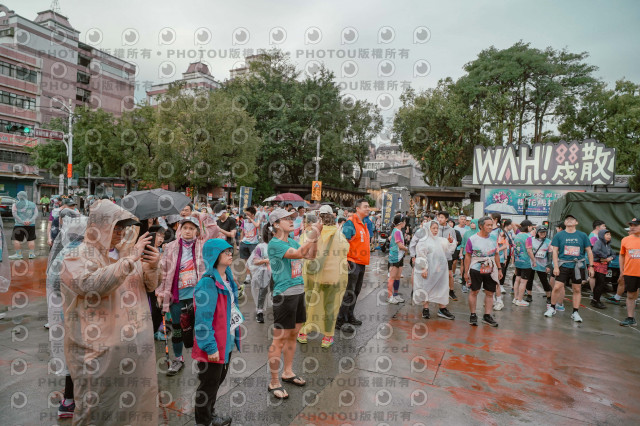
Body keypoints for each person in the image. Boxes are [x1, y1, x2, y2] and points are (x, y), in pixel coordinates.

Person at [60, 200, 160, 425]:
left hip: (133, 349)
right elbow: (91, 286)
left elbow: (149, 285)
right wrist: (129, 260)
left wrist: (153, 265)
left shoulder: (128, 252)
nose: (121, 232)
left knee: (133, 407)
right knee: (97, 409)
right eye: (116, 227)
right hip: (97, 353)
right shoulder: (77, 255)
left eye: (123, 227)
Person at [267, 208, 322, 399]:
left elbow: (310, 255)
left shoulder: (291, 241)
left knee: (293, 335)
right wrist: (313, 234)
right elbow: (299, 254)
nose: (291, 221)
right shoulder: (274, 244)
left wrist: (315, 237)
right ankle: (274, 382)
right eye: (286, 219)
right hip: (284, 295)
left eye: (291, 218)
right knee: (279, 339)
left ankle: (288, 372)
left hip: (299, 291)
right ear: (275, 224)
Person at [192, 238, 240, 426]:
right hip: (213, 344)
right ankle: (203, 421)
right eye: (225, 252)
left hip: (226, 340)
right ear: (214, 255)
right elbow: (203, 320)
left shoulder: (227, 277)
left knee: (216, 381)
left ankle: (210, 415)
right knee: (208, 385)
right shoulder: (208, 283)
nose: (230, 254)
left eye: (230, 251)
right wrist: (210, 346)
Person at [157, 217, 212, 376]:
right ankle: (178, 358)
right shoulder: (171, 247)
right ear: (180, 230)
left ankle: (202, 359)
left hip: (197, 295)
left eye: (191, 228)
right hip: (176, 296)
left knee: (199, 328)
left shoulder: (202, 246)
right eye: (185, 228)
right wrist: (160, 292)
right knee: (177, 329)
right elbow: (163, 271)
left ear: (197, 231)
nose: (187, 231)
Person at [46, 214, 87, 419]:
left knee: (73, 355)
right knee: (82, 356)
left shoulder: (64, 251)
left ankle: (69, 401)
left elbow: (53, 283)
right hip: (78, 313)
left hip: (66, 311)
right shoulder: (81, 252)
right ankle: (75, 400)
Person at [297, 205, 349, 348]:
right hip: (332, 277)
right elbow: (345, 250)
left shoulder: (312, 232)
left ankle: (303, 332)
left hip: (312, 274)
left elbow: (302, 249)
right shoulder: (339, 235)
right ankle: (327, 337)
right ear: (333, 217)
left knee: (308, 303)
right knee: (330, 307)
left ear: (319, 216)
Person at [546, 215, 594, 322]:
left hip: (578, 266)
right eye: (567, 219)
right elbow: (555, 251)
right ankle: (552, 308)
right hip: (563, 265)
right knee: (557, 287)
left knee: (577, 289)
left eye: (572, 219)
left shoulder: (582, 235)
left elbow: (589, 251)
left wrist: (591, 266)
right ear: (565, 223)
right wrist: (556, 266)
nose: (569, 221)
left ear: (576, 222)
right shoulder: (559, 235)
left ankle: (575, 312)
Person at [335, 199, 371, 332]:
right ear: (357, 208)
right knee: (349, 293)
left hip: (361, 263)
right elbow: (342, 241)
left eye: (368, 206)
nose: (368, 209)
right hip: (352, 262)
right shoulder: (351, 223)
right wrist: (344, 259)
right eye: (365, 206)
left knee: (356, 291)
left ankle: (350, 316)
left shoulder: (363, 223)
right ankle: (341, 321)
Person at [463, 216, 502, 327]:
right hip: (476, 269)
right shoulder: (472, 239)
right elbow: (467, 256)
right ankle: (473, 315)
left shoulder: (494, 238)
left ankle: (487, 316)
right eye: (488, 225)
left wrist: (499, 269)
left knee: (490, 293)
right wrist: (466, 272)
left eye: (491, 225)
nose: (490, 227)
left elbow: (496, 254)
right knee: (474, 291)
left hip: (490, 269)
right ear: (481, 226)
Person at [413, 220, 457, 320]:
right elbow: (421, 255)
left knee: (441, 288)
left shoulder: (440, 240)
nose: (436, 230)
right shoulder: (423, 241)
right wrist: (423, 269)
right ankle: (426, 308)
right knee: (426, 287)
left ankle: (442, 308)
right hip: (428, 270)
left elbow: (449, 249)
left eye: (437, 228)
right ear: (428, 229)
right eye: (433, 228)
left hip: (439, 270)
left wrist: (450, 241)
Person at [247, 226, 273, 323]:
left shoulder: (279, 245)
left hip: (277, 273)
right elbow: (255, 261)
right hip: (264, 273)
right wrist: (266, 261)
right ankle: (259, 311)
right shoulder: (261, 247)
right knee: (263, 292)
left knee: (276, 291)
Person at [618, 218, 640, 326]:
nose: (632, 227)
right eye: (631, 225)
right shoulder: (625, 240)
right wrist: (622, 271)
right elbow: (622, 255)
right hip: (631, 273)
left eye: (635, 225)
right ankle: (630, 318)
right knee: (630, 295)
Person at [512, 220, 537, 307]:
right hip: (526, 262)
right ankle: (520, 300)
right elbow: (529, 251)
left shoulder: (517, 235)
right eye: (531, 227)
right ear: (528, 227)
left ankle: (515, 298)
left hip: (518, 260)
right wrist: (534, 260)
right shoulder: (528, 237)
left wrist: (521, 226)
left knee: (517, 280)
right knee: (523, 282)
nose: (532, 228)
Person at [528, 227, 553, 307]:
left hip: (542, 264)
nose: (543, 233)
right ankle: (529, 295)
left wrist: (549, 265)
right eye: (541, 232)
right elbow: (528, 250)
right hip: (531, 263)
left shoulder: (548, 242)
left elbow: (550, 255)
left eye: (544, 232)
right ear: (537, 233)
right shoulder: (531, 240)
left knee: (544, 281)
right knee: (529, 279)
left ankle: (549, 297)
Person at [9, 191, 38, 260]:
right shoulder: (33, 204)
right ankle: (31, 254)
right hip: (31, 225)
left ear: (18, 196)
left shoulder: (15, 204)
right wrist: (30, 221)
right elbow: (36, 214)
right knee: (31, 239)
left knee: (16, 240)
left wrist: (22, 222)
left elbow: (14, 214)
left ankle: (18, 255)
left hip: (19, 225)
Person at [387, 215, 409, 304]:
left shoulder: (398, 231)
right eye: (404, 221)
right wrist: (407, 249)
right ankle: (390, 296)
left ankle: (395, 295)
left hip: (399, 256)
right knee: (392, 277)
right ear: (401, 222)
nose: (405, 223)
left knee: (397, 276)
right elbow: (400, 246)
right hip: (395, 257)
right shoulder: (396, 231)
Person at [436, 211, 457, 301]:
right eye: (439, 217)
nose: (440, 219)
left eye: (442, 217)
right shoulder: (435, 228)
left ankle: (451, 291)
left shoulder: (451, 230)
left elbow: (454, 243)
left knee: (449, 274)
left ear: (446, 219)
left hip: (447, 256)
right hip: (436, 256)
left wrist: (450, 242)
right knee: (437, 273)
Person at [591, 228, 614, 309]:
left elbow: (613, 254)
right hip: (598, 265)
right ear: (601, 235)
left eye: (610, 235)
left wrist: (610, 258)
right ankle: (595, 301)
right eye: (607, 234)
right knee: (600, 284)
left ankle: (595, 300)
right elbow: (595, 250)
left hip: (604, 265)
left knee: (600, 284)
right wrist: (605, 257)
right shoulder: (599, 242)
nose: (609, 236)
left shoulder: (608, 245)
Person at [240, 206, 262, 283]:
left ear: (253, 214)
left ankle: (256, 276)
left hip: (253, 244)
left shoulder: (257, 220)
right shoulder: (244, 221)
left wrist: (251, 219)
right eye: (246, 214)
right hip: (244, 243)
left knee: (255, 260)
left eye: (248, 214)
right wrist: (241, 240)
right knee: (246, 261)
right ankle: (248, 277)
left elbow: (257, 226)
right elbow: (242, 231)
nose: (247, 216)